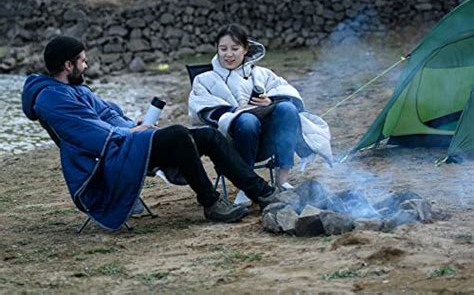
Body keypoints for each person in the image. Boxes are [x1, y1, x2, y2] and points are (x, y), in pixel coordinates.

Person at [21, 35, 279, 231]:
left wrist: (134, 125)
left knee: (207, 135)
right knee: (178, 135)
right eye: (83, 61)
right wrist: (134, 132)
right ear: (68, 65)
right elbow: (93, 136)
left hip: (124, 145)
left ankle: (263, 192)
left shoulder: (78, 89)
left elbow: (109, 117)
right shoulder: (51, 99)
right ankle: (211, 203)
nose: (86, 66)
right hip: (108, 161)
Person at [188, 24, 333, 206]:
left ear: (246, 49)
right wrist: (233, 112)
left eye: (235, 48)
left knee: (287, 109)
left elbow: (289, 93)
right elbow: (199, 110)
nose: (229, 54)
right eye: (223, 49)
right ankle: (247, 186)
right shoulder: (204, 79)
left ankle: (281, 180)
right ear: (216, 49)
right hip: (230, 143)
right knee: (247, 119)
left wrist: (270, 102)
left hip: (268, 141)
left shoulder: (262, 74)